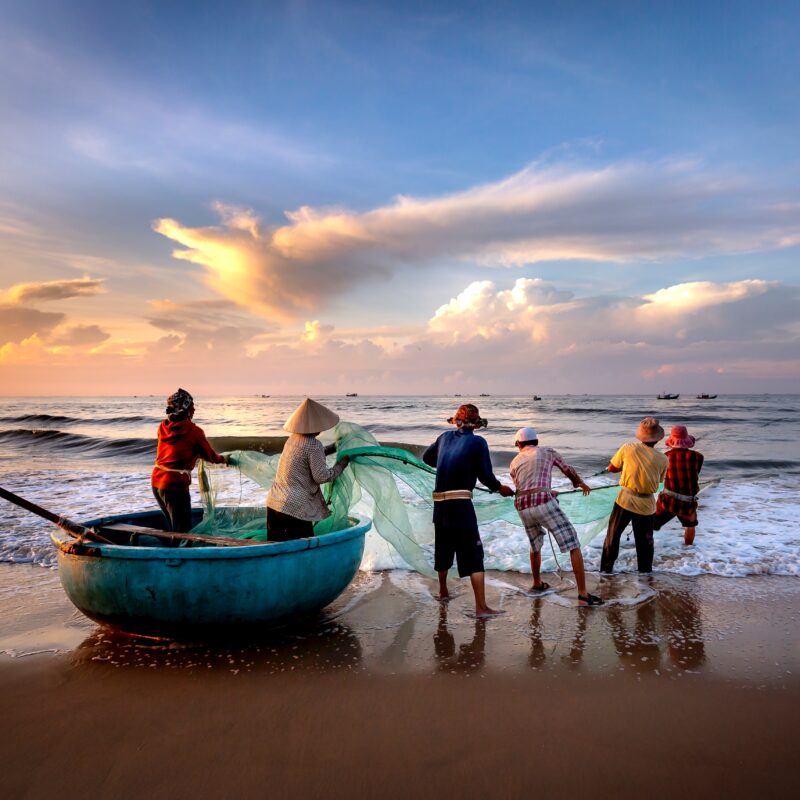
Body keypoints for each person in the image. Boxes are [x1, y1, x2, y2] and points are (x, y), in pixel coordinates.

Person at [422, 403, 514, 618]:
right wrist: (500, 488)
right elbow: (485, 475)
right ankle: (481, 608)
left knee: (443, 550)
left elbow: (427, 458)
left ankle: (443, 591)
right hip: (460, 506)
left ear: (456, 421)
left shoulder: (444, 437)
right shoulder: (478, 442)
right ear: (477, 423)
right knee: (473, 556)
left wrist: (448, 461)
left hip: (440, 507)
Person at [509, 427, 603, 606]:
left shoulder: (514, 461)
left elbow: (522, 487)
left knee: (534, 545)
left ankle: (537, 584)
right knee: (573, 544)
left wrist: (547, 491)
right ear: (536, 442)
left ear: (519, 444)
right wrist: (580, 483)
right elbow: (567, 469)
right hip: (543, 503)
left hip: (522, 505)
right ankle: (583, 595)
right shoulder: (547, 452)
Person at [266, 397, 349, 542]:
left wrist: (333, 448)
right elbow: (321, 477)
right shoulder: (314, 445)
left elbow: (308, 455)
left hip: (274, 503)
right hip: (294, 509)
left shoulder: (292, 439)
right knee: (305, 547)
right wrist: (342, 464)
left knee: (275, 549)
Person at [151, 388, 226, 534]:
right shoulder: (194, 431)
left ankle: (172, 551)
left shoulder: (162, 427)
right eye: (191, 405)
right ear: (185, 409)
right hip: (174, 486)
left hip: (156, 482)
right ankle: (178, 556)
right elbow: (211, 457)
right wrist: (226, 459)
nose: (194, 408)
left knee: (174, 526)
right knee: (182, 530)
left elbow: (178, 450)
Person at [600, 416, 668, 574]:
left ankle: (605, 571)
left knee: (612, 537)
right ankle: (645, 575)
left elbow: (612, 468)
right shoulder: (663, 459)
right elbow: (658, 481)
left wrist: (626, 468)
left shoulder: (628, 448)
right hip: (646, 505)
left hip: (625, 500)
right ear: (657, 439)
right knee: (645, 542)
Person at [654, 425, 704, 545]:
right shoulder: (698, 457)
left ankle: (646, 550)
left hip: (667, 501)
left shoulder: (665, 457)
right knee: (690, 526)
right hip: (688, 502)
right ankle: (688, 550)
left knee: (651, 525)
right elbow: (695, 473)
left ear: (671, 441)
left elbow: (660, 478)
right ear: (687, 441)